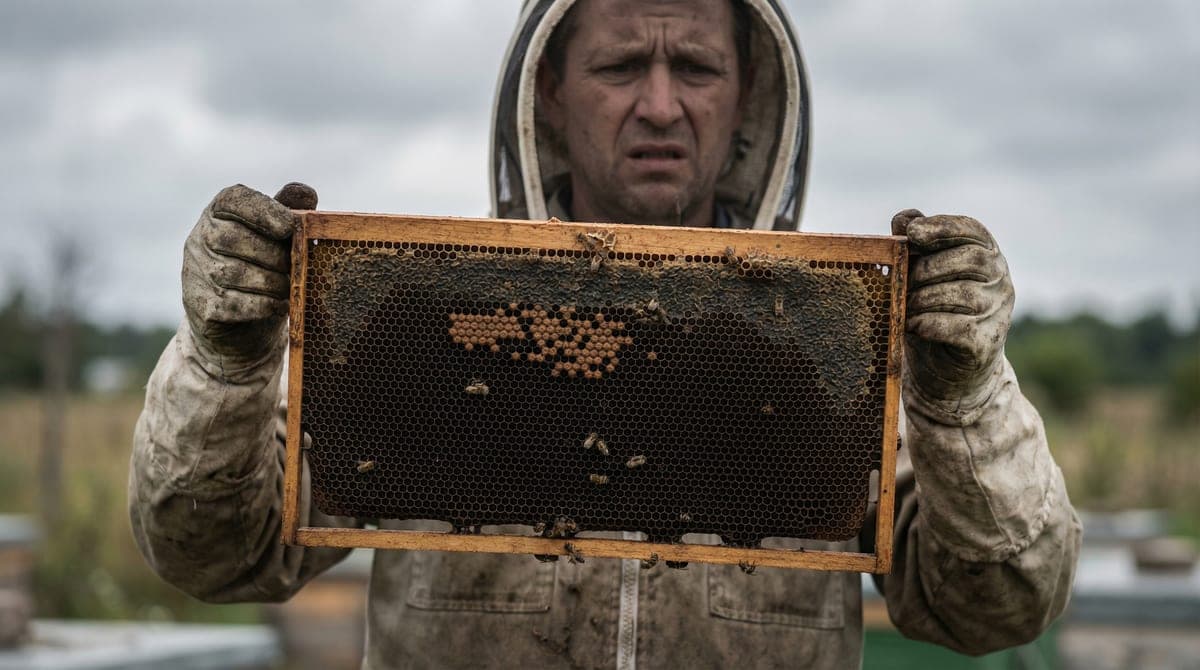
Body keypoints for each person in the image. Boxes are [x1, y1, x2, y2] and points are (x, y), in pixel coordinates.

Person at [129, 1, 1081, 668]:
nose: (661, 105)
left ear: (746, 92)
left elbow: (994, 606)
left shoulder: (828, 359)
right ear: (550, 88)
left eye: (696, 68)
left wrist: (965, 399)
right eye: (622, 65)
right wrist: (226, 362)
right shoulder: (425, 335)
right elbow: (213, 553)